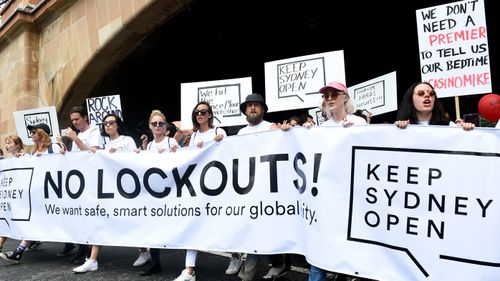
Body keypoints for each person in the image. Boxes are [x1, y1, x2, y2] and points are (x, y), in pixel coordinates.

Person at [307, 82, 368, 281]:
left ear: (345, 98)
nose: (330, 98)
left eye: (334, 94)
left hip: (351, 200)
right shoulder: (321, 128)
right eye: (326, 96)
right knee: (319, 253)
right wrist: (304, 133)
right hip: (326, 199)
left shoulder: (359, 122)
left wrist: (357, 134)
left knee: (347, 254)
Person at [72, 113, 137, 273]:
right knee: (99, 220)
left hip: (126, 189)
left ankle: (143, 251)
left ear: (118, 125)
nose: (107, 125)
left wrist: (120, 155)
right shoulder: (105, 144)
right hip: (109, 189)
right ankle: (92, 259)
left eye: (111, 123)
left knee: (132, 221)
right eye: (105, 123)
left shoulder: (126, 140)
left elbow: (136, 159)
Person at [234, 93, 288, 281]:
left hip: (268, 189)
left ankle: (247, 275)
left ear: (263, 109)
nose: (253, 108)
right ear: (245, 110)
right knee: (257, 230)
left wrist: (285, 131)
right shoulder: (241, 133)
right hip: (249, 190)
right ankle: (279, 264)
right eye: (249, 105)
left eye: (257, 105)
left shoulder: (271, 128)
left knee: (259, 230)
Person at [173, 102, 226, 281]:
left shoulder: (219, 131)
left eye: (203, 112)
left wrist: (216, 141)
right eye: (197, 112)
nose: (200, 114)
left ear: (210, 114)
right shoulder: (194, 136)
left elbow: (229, 150)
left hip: (217, 185)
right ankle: (189, 270)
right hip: (197, 186)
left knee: (222, 222)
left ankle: (235, 255)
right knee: (192, 223)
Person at [0, 124, 64, 264]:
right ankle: (19, 251)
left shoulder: (54, 147)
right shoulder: (34, 151)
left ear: (41, 133)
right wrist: (26, 157)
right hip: (39, 193)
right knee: (33, 218)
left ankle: (20, 250)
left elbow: (64, 162)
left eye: (33, 132)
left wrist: (60, 146)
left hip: (53, 191)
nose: (31, 135)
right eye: (30, 132)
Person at [135, 109, 179, 276]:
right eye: (154, 124)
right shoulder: (151, 145)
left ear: (165, 125)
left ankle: (189, 266)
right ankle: (155, 263)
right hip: (154, 193)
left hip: (171, 191)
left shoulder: (171, 143)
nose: (158, 126)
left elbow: (181, 162)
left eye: (161, 123)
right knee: (152, 227)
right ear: (150, 126)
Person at [57, 106, 102, 263]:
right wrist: (64, 148)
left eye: (77, 119)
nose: (74, 122)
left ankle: (89, 252)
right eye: (72, 120)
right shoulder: (77, 135)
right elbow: (76, 157)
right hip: (78, 181)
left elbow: (92, 153)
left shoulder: (94, 131)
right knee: (78, 217)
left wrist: (75, 139)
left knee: (90, 216)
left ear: (85, 117)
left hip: (91, 180)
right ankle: (82, 248)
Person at [394, 82, 475, 131]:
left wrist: (466, 130)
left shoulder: (449, 126)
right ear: (411, 99)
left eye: (431, 93)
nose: (427, 95)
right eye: (421, 93)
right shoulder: (403, 127)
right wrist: (397, 129)